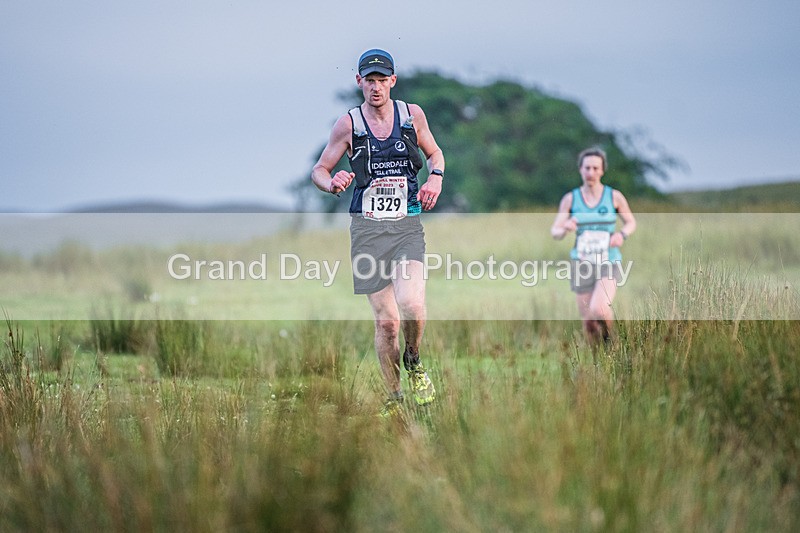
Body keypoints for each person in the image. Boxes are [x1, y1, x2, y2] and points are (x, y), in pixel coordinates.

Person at [311, 49, 445, 415]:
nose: (375, 87)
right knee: (387, 322)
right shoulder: (348, 124)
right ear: (359, 82)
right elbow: (320, 169)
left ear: (393, 81)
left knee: (412, 304)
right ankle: (395, 397)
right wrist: (331, 182)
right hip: (367, 232)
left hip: (406, 227)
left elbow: (435, 154)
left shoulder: (411, 115)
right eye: (369, 80)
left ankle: (413, 358)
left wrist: (435, 178)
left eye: (382, 80)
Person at [550, 147, 636, 347]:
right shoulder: (570, 199)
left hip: (608, 261)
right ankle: (597, 358)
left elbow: (631, 222)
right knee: (588, 320)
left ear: (602, 170)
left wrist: (621, 234)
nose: (591, 172)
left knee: (600, 309)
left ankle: (610, 343)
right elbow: (555, 231)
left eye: (595, 168)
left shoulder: (614, 197)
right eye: (587, 168)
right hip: (582, 262)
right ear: (580, 169)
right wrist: (565, 227)